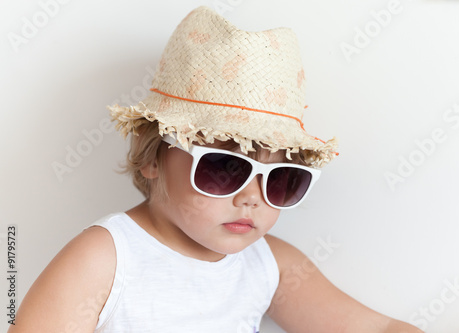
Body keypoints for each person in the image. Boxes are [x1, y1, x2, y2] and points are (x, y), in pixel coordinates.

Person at [10, 6, 424, 333]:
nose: (251, 198)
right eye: (225, 168)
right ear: (154, 158)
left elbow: (375, 327)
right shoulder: (107, 257)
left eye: (281, 180)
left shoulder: (269, 265)